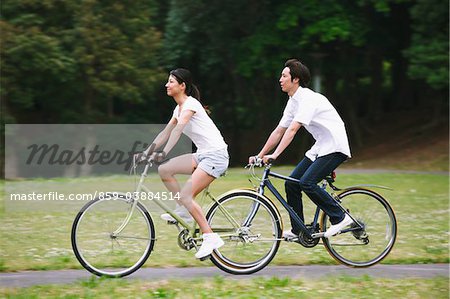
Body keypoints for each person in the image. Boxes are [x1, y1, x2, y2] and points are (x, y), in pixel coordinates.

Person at [249, 59, 352, 238]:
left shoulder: (308, 99)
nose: (280, 79)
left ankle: (340, 218)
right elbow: (279, 131)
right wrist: (260, 155)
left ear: (295, 79)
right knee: (291, 183)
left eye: (284, 76)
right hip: (320, 146)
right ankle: (299, 230)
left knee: (307, 183)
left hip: (335, 145)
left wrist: (275, 155)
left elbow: (293, 130)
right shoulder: (292, 102)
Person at [136, 68, 229, 259]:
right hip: (202, 155)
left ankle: (210, 237)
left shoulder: (190, 104)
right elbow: (166, 133)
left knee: (187, 195)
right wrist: (147, 153)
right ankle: (183, 211)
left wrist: (163, 153)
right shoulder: (178, 108)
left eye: (171, 81)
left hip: (216, 156)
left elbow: (178, 131)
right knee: (165, 170)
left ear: (182, 86)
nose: (167, 85)